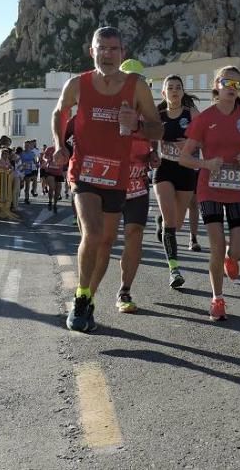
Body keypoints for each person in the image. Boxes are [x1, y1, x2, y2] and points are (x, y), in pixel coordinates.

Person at [53, 27, 162, 333]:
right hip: (84, 171)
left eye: (114, 49)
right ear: (92, 51)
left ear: (123, 53)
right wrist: (60, 144)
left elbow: (157, 129)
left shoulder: (136, 86)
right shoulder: (78, 83)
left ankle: (88, 297)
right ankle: (80, 298)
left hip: (117, 175)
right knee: (94, 231)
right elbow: (59, 113)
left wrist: (138, 124)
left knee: (106, 242)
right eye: (102, 48)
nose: (108, 54)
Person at [179, 66, 240, 316]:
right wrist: (206, 164)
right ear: (217, 84)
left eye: (238, 85)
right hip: (209, 188)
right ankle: (217, 298)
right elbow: (184, 157)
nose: (233, 89)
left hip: (238, 188)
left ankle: (230, 257)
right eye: (228, 83)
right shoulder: (205, 118)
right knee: (215, 244)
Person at [153, 74, 203, 272]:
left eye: (178, 87)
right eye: (170, 87)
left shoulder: (191, 113)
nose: (174, 90)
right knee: (170, 223)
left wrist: (191, 144)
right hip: (165, 168)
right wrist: (151, 153)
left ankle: (161, 220)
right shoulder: (159, 115)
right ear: (164, 93)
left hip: (186, 170)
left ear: (183, 92)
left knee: (178, 224)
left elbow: (205, 139)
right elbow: (150, 138)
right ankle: (174, 269)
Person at [116, 117, 161, 313]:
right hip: (109, 185)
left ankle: (124, 290)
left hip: (137, 187)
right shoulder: (108, 114)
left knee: (134, 236)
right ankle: (85, 293)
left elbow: (155, 138)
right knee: (101, 240)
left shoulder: (146, 122)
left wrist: (153, 154)